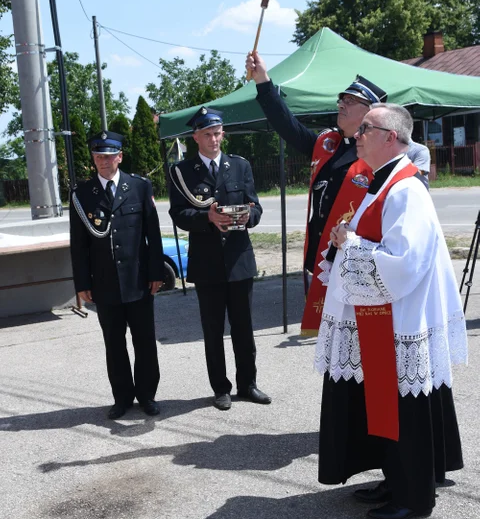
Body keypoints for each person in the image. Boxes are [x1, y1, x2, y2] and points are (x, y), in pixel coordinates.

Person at [314, 103, 466, 519]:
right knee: (386, 403)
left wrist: (352, 245)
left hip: (401, 316)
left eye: (366, 127)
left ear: (391, 137)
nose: (357, 134)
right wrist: (350, 239)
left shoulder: (405, 189)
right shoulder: (381, 184)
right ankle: (395, 478)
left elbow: (405, 262)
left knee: (404, 406)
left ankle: (414, 496)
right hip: (383, 314)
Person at [245, 51, 387, 335]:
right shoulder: (328, 144)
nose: (341, 105)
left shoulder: (379, 156)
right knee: (331, 344)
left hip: (356, 262)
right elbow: (287, 125)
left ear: (369, 112)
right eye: (341, 100)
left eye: (350, 101)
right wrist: (263, 81)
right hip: (323, 259)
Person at [168, 106, 270, 411]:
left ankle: (248, 384)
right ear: (196, 137)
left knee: (244, 328)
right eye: (208, 134)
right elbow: (179, 214)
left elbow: (257, 208)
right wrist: (206, 217)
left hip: (239, 259)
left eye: (218, 133)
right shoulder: (183, 172)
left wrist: (247, 215)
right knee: (213, 331)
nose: (214, 139)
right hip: (207, 262)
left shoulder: (239, 166)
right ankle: (220, 388)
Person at [70, 131, 164, 419]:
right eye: (98, 156)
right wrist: (83, 284)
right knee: (114, 343)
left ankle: (147, 395)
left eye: (109, 156)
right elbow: (79, 244)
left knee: (145, 341)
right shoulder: (82, 194)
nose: (104, 161)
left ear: (119, 157)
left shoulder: (138, 186)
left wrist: (156, 273)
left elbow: (153, 235)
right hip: (105, 284)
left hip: (138, 281)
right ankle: (122, 398)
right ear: (93, 159)